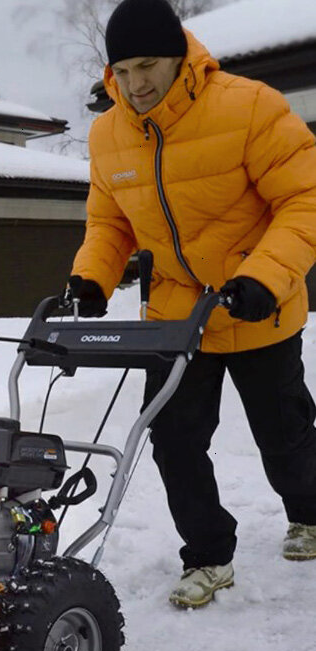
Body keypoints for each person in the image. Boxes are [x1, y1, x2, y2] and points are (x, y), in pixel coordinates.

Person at [68, 0, 316, 607]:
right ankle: (207, 555)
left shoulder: (249, 105)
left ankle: (309, 514)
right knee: (174, 441)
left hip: (258, 305)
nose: (136, 83)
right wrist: (93, 277)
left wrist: (265, 275)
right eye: (121, 71)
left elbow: (305, 199)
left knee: (283, 435)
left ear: (180, 56)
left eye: (148, 64)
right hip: (175, 319)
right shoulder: (108, 134)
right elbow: (108, 223)